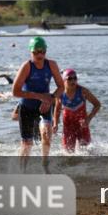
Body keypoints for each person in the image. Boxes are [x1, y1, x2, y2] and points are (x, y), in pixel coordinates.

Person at [12, 36, 64, 167]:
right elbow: (15, 92)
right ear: (31, 52)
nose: (40, 55)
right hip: (26, 108)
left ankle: (44, 165)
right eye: (36, 52)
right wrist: (40, 96)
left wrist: (50, 98)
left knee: (47, 133)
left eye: (42, 51)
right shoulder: (27, 66)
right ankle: (22, 172)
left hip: (44, 106)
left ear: (46, 51)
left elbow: (61, 87)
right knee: (27, 144)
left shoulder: (51, 65)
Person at [54, 68, 101, 153]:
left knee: (86, 153)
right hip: (68, 126)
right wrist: (55, 124)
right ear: (63, 80)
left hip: (82, 125)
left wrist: (88, 119)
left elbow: (97, 105)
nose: (73, 81)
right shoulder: (60, 93)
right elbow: (57, 108)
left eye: (75, 78)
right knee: (68, 154)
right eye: (70, 79)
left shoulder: (83, 91)